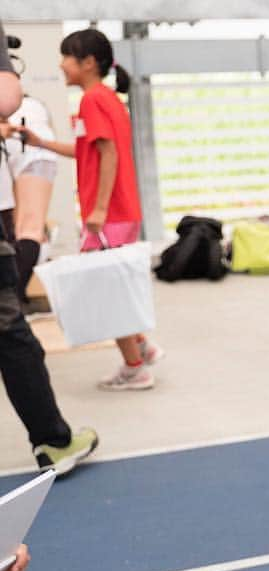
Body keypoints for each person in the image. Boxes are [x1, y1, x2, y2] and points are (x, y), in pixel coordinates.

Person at [19, 28, 164, 391]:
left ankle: (135, 366)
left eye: (67, 56)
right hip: (119, 211)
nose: (61, 64)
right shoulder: (105, 99)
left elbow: (109, 154)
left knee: (104, 290)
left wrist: (98, 210)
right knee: (113, 283)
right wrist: (41, 142)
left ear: (87, 63)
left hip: (109, 214)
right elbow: (88, 151)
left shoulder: (92, 101)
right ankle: (142, 346)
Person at [0, 19, 98, 476]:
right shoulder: (26, 105)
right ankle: (53, 441)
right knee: (11, 332)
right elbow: (30, 225)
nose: (60, 64)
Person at [1, 94, 60, 310]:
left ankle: (14, 299)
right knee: (29, 229)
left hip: (25, 147)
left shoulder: (27, 105)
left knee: (20, 229)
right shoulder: (30, 105)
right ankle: (14, 300)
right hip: (28, 149)